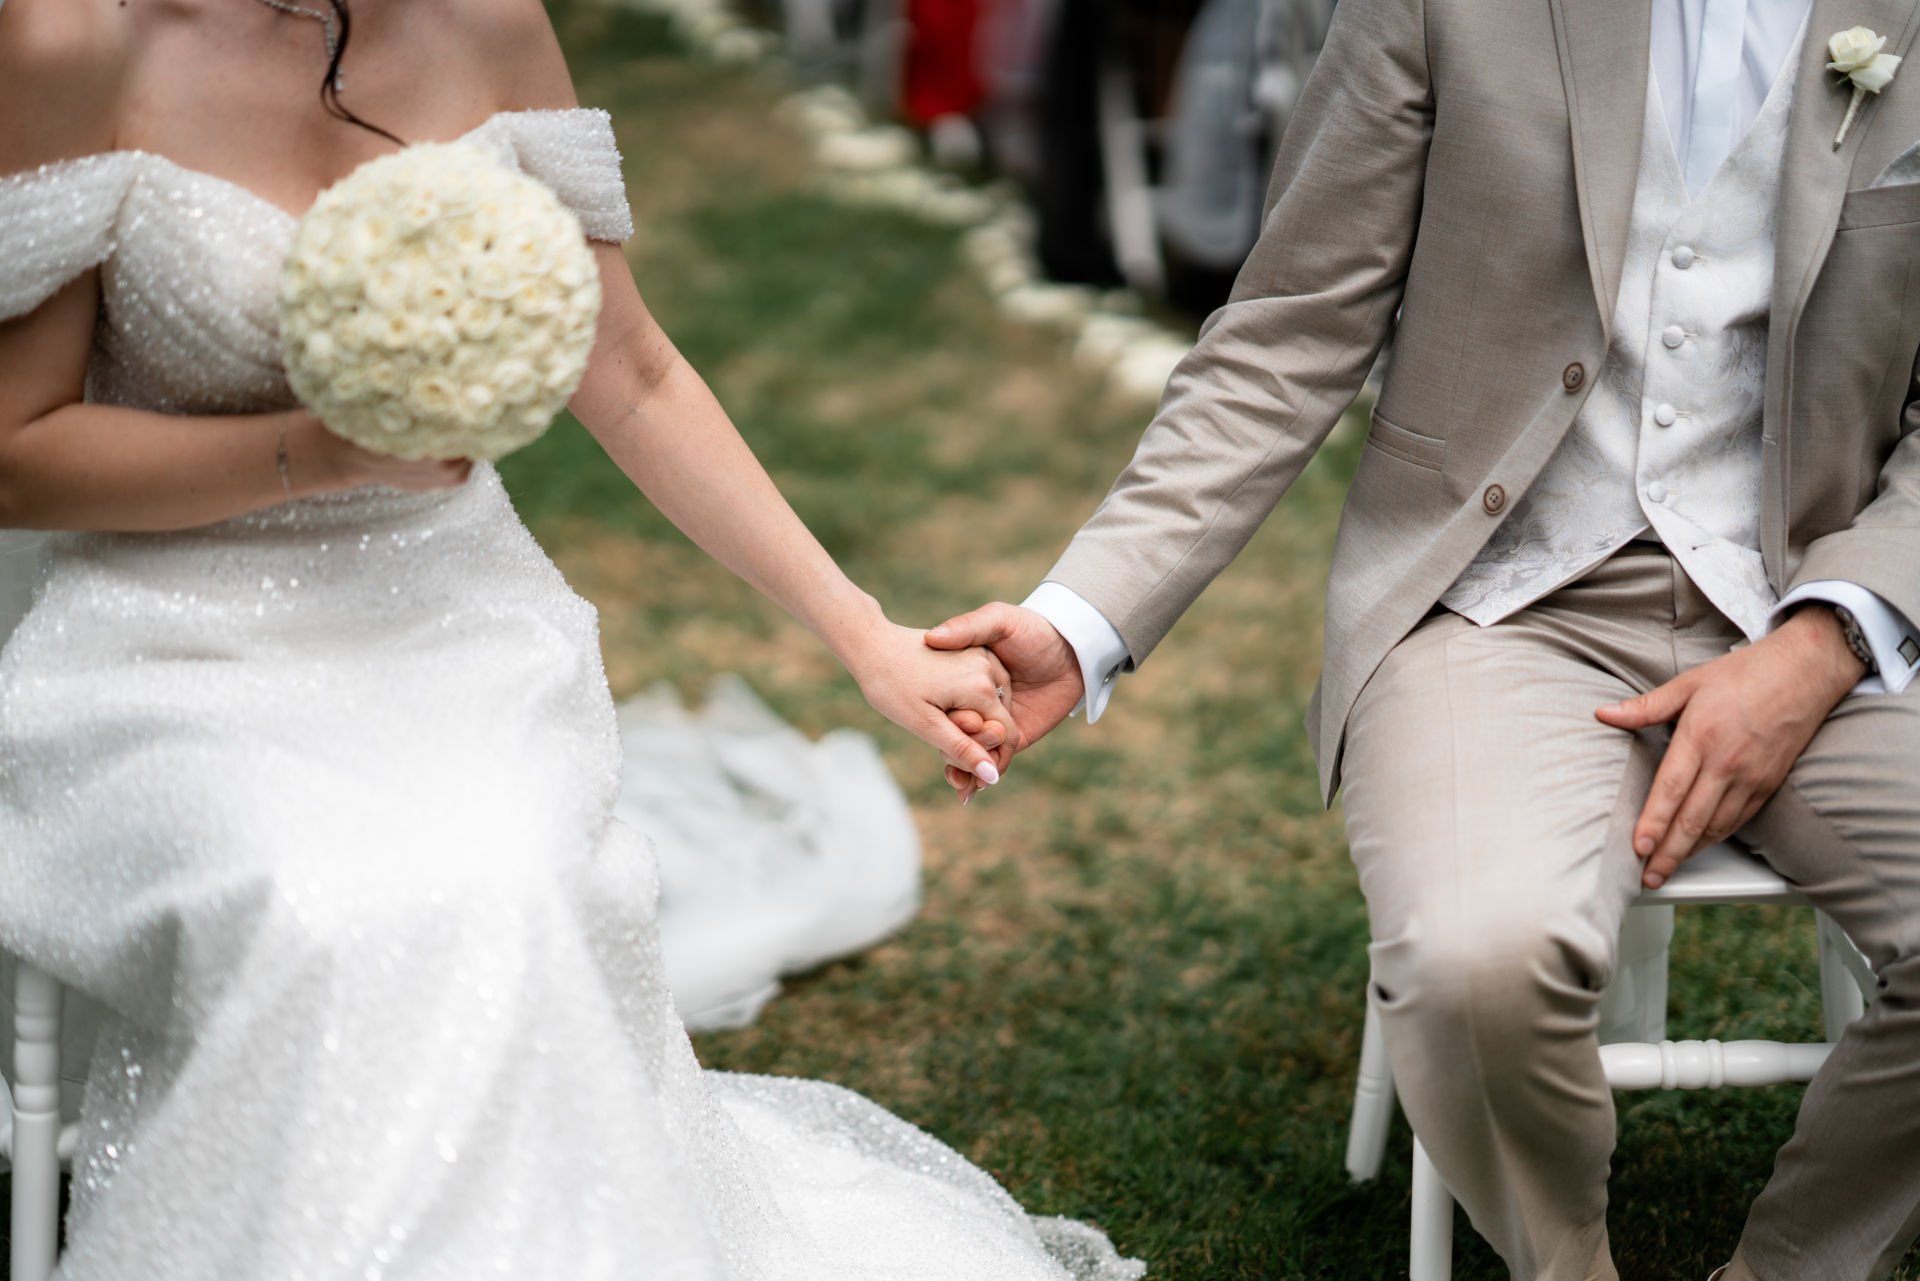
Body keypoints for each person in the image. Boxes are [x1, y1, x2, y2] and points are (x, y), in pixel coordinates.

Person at [0, 1, 1141, 1277]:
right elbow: (15, 456)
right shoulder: (70, 41)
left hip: (452, 620)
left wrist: (863, 633)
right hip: (170, 637)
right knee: (317, 906)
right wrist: (314, 453)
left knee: (507, 887)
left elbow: (632, 369)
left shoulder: (485, 20)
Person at [930, 0, 1920, 1277]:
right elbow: (1290, 334)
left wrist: (1826, 641)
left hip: (1816, 605)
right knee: (1471, 969)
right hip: (1494, 597)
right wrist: (1083, 622)